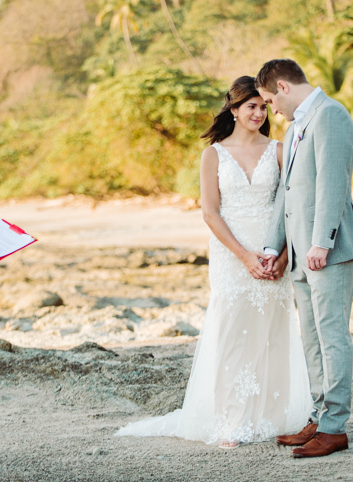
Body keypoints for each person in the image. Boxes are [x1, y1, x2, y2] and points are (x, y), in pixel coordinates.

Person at [115, 76, 312, 448]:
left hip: (273, 255)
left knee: (272, 333)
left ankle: (269, 417)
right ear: (234, 110)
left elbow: (293, 208)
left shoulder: (281, 150)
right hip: (231, 254)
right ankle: (230, 421)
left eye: (262, 106)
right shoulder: (213, 154)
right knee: (232, 334)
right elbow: (210, 212)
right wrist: (244, 257)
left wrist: (284, 256)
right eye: (250, 106)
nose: (258, 112)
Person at [256, 59, 353, 458]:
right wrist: (274, 247)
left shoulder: (331, 116)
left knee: (331, 335)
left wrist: (321, 243)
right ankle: (320, 414)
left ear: (284, 87)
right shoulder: (294, 130)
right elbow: (287, 193)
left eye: (271, 101)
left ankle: (335, 426)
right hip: (300, 254)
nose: (272, 110)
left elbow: (333, 183)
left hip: (329, 250)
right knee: (311, 337)